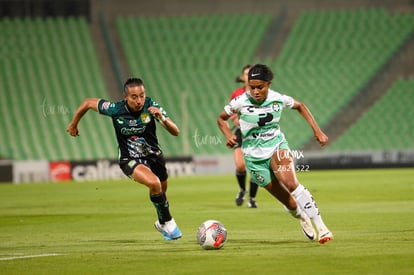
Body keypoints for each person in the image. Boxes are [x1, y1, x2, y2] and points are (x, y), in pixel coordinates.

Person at [217, 64, 333, 244]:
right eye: (252, 87)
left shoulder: (278, 99)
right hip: (254, 159)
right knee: (290, 204)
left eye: (259, 87)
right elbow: (221, 119)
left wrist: (317, 131)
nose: (255, 91)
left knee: (292, 183)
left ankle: (322, 228)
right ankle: (302, 216)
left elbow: (300, 106)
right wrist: (228, 134)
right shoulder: (240, 101)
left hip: (276, 146)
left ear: (268, 84)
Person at [66, 77, 182, 241]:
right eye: (134, 97)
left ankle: (162, 222)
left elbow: (176, 131)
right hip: (130, 159)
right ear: (126, 97)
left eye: (142, 95)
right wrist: (74, 123)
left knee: (161, 192)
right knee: (154, 183)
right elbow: (87, 103)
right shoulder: (115, 108)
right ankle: (169, 222)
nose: (139, 100)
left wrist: (161, 117)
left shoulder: (151, 106)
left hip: (155, 157)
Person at [229, 64, 259, 208]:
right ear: (243, 77)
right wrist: (235, 118)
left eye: (252, 73)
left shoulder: (259, 93)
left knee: (255, 169)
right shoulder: (237, 94)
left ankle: (252, 199)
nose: (249, 76)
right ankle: (242, 189)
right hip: (241, 132)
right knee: (240, 165)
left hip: (256, 134)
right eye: (247, 74)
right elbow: (231, 112)